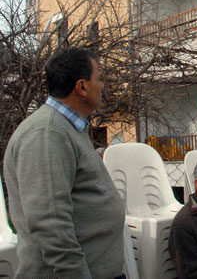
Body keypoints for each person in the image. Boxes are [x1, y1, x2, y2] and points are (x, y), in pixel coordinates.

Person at [3, 48, 126, 278]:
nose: (102, 86)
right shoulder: (46, 134)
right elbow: (50, 225)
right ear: (81, 86)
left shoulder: (67, 128)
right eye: (99, 79)